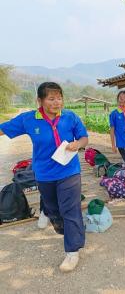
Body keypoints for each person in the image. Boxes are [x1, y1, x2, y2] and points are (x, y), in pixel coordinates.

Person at [0, 82, 88, 272]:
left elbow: (84, 137)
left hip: (69, 171)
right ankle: (51, 216)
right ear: (39, 101)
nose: (57, 102)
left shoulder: (70, 117)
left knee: (70, 209)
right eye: (51, 98)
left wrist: (78, 144)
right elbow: (3, 129)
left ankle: (72, 251)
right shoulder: (29, 119)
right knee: (54, 209)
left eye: (59, 98)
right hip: (44, 174)